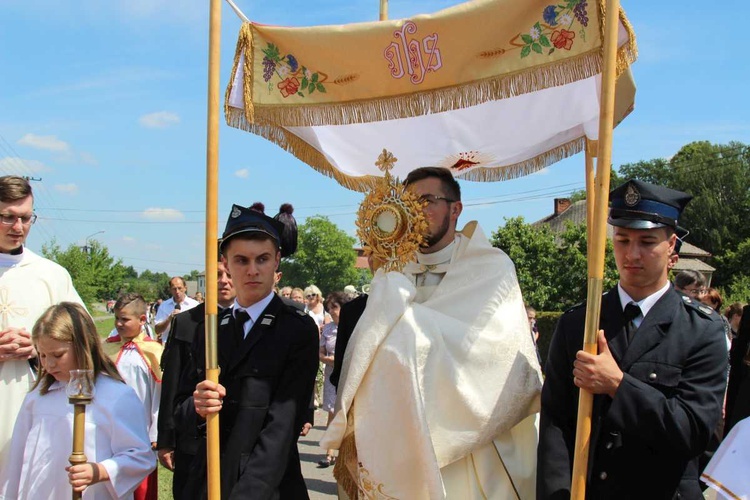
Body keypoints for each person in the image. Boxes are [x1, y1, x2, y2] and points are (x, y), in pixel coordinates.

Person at [322, 167, 542, 499]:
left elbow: (499, 358)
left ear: (456, 209)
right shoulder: (390, 277)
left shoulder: (490, 268)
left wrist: (412, 333)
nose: (416, 211)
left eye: (428, 201)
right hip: (396, 440)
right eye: (409, 202)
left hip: (472, 448)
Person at [537, 179, 728, 499]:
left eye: (647, 241)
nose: (632, 254)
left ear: (672, 248)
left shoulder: (702, 331)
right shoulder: (580, 323)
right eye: (623, 240)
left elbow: (692, 432)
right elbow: (555, 423)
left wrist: (618, 385)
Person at [173, 204, 319, 499]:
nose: (252, 270)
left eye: (262, 259)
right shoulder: (211, 329)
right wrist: (197, 407)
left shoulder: (297, 329)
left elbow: (281, 427)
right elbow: (181, 410)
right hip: (208, 480)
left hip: (266, 487)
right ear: (226, 263)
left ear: (277, 261)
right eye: (241, 260)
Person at [0, 302, 154, 499]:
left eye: (58, 355)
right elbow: (17, 458)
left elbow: (141, 456)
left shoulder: (116, 396)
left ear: (84, 347)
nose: (49, 364)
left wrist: (100, 470)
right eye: (43, 355)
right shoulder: (37, 397)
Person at [0, 175, 85, 466]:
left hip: (39, 400)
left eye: (26, 218)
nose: (18, 227)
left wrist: (40, 349)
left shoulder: (51, 275)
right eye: (8, 217)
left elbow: (82, 341)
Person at [156, 259, 235, 500]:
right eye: (217, 274)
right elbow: (171, 383)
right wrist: (166, 439)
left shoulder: (253, 322)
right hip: (193, 435)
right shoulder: (186, 322)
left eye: (229, 274)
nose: (224, 280)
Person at [104, 293, 164, 500]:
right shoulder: (106, 349)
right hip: (109, 429)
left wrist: (156, 433)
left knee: (141, 489)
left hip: (141, 431)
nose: (119, 324)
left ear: (142, 319)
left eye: (125, 319)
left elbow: (159, 394)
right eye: (117, 318)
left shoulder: (153, 352)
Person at [317, 291, 352, 469]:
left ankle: (346, 453)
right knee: (332, 412)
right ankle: (329, 452)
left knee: (348, 413)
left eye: (335, 307)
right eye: (329, 308)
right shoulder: (328, 329)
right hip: (332, 375)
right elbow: (321, 352)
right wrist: (327, 359)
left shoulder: (353, 326)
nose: (331, 311)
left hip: (348, 374)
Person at [153, 277, 200, 345]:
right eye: (174, 289)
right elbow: (157, 330)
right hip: (169, 345)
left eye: (179, 288)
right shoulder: (164, 306)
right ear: (170, 290)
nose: (177, 291)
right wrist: (169, 319)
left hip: (190, 344)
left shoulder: (194, 305)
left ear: (185, 288)